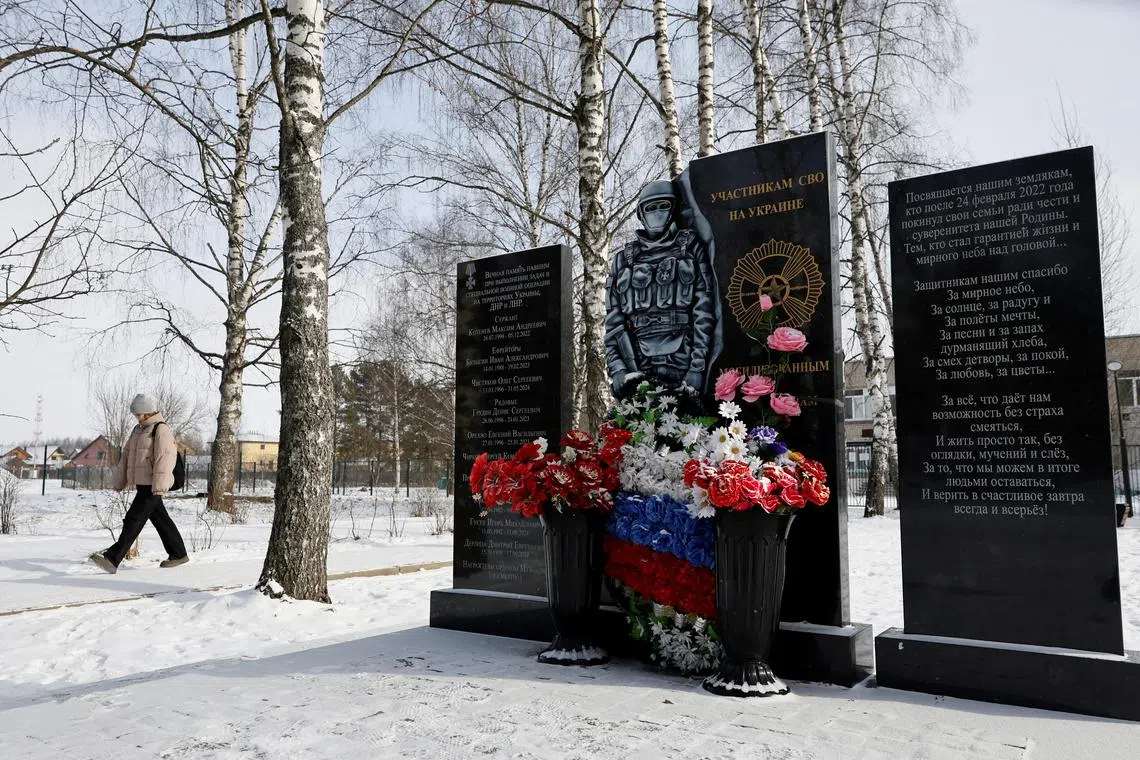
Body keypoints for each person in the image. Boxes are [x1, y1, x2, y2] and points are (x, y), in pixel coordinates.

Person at [604, 179, 719, 399]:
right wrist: (618, 368)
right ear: (640, 213)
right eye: (650, 207)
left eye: (663, 205)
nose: (656, 213)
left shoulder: (691, 248)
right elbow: (613, 323)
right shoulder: (622, 261)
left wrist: (697, 367)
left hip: (682, 360)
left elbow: (703, 313)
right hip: (637, 363)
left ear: (673, 209)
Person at [89, 394, 188, 573]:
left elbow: (165, 459)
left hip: (153, 484)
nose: (138, 417)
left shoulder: (161, 429)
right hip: (143, 484)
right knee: (161, 520)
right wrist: (120, 481)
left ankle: (112, 558)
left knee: (133, 520)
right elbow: (126, 456)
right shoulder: (138, 430)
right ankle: (178, 553)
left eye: (140, 414)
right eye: (136, 414)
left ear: (149, 411)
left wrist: (159, 486)